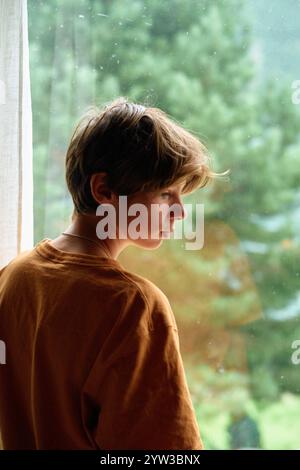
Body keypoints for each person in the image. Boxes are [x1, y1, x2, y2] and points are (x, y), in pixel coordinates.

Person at [0, 96, 218, 450]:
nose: (180, 212)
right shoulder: (133, 306)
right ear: (104, 190)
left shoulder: (13, 276)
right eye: (166, 194)